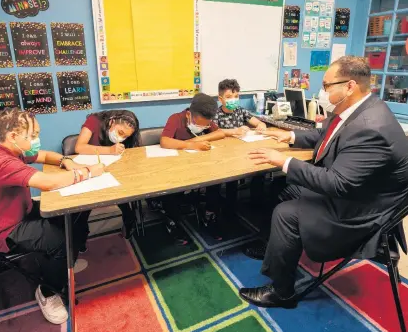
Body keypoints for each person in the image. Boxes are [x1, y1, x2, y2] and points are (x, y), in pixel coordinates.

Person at [239, 56, 408, 308]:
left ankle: (282, 292)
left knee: (287, 213)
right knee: (283, 188)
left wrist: (284, 162)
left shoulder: (370, 127)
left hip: (362, 210)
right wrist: (288, 135)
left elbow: (337, 183)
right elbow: (324, 135)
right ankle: (274, 250)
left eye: (327, 85)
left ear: (349, 86)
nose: (322, 91)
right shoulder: (357, 109)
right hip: (356, 191)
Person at [0, 108, 104, 324]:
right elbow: (48, 182)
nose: (37, 140)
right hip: (4, 231)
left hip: (18, 214)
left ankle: (64, 265)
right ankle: (48, 292)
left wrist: (66, 161)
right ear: (13, 137)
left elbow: (43, 155)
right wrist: (88, 172)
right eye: (33, 135)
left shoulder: (11, 152)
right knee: (61, 242)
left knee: (71, 213)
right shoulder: (2, 163)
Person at [159, 93, 226, 243]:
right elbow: (164, 141)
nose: (203, 127)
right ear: (189, 114)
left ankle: (209, 214)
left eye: (206, 125)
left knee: (215, 182)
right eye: (199, 123)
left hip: (200, 168)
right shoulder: (176, 118)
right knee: (171, 190)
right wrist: (191, 145)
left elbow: (220, 133)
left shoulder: (206, 120)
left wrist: (199, 138)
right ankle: (173, 221)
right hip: (176, 169)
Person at [75, 110, 141, 240]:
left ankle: (129, 221)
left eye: (125, 136)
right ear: (111, 121)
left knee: (123, 194)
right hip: (89, 171)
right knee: (84, 208)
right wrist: (109, 150)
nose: (121, 138)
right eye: (120, 132)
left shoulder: (126, 137)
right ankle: (80, 236)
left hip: (112, 171)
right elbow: (79, 147)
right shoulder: (93, 121)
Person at [214, 79, 267, 215]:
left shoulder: (240, 111)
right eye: (229, 97)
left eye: (236, 96)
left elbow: (258, 123)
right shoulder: (216, 114)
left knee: (260, 169)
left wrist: (260, 126)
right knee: (229, 181)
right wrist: (234, 131)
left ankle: (255, 203)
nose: (233, 100)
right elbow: (214, 133)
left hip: (241, 151)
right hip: (223, 155)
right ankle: (226, 208)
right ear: (220, 99)